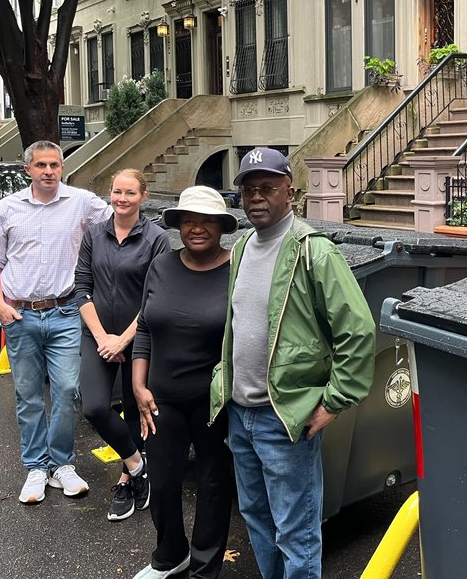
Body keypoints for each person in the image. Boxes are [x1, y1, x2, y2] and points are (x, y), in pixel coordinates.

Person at [209, 148, 376, 579]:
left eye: (267, 188)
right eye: (248, 189)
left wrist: (334, 401)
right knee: (258, 521)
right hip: (240, 414)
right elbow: (236, 322)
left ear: (291, 192)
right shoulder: (242, 245)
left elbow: (357, 331)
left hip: (284, 419)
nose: (256, 197)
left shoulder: (313, 252)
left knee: (295, 532)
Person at [0, 140, 112, 505]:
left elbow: (120, 221)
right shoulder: (7, 208)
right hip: (19, 315)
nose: (49, 171)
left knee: (68, 389)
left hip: (67, 311)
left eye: (55, 164)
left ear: (62, 167)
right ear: (28, 170)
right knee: (28, 396)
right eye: (41, 165)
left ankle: (63, 464)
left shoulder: (82, 203)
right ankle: (36, 467)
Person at [132, 186, 238, 579]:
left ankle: (204, 569)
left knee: (213, 486)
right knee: (161, 483)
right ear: (178, 225)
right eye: (189, 220)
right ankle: (170, 554)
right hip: (161, 400)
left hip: (214, 402)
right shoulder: (162, 265)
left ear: (220, 227)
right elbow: (145, 327)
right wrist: (140, 387)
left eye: (206, 221)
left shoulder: (235, 271)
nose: (197, 228)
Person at [75, 169, 171, 521]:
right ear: (109, 194)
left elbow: (156, 295)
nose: (122, 199)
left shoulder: (157, 239)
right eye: (116, 192)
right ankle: (136, 464)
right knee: (95, 406)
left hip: (141, 336)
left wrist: (124, 339)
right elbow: (81, 287)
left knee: (136, 411)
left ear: (143, 196)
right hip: (98, 336)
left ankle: (126, 482)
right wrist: (103, 338)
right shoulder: (94, 236)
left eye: (130, 193)